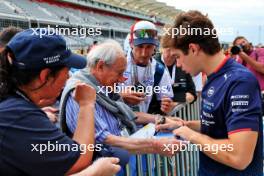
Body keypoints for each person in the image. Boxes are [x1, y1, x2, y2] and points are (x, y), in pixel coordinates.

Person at [0, 28, 120, 176]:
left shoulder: (12, 105)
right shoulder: (19, 116)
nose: (69, 77)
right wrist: (86, 105)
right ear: (46, 76)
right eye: (67, 70)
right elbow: (79, 159)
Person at [156, 10, 263, 175]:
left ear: (193, 49)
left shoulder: (240, 82)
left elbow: (239, 156)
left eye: (177, 56)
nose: (177, 64)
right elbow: (219, 125)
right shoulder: (213, 77)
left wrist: (190, 135)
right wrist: (184, 125)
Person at [60, 40, 179, 175]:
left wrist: (161, 119)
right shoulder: (80, 92)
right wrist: (155, 146)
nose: (122, 79)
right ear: (100, 66)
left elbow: (128, 115)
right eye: (119, 73)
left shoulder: (101, 86)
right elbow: (104, 138)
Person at [122, 20, 174, 114]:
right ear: (131, 44)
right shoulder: (118, 64)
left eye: (149, 47)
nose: (144, 53)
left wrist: (167, 105)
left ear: (155, 47)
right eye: (140, 46)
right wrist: (120, 95)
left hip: (143, 124)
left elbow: (167, 99)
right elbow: (99, 92)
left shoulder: (160, 70)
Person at [155, 28, 197, 114]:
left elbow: (193, 94)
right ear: (161, 48)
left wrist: (175, 103)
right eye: (167, 49)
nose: (170, 54)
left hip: (182, 116)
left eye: (172, 50)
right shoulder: (153, 65)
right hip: (158, 117)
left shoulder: (182, 65)